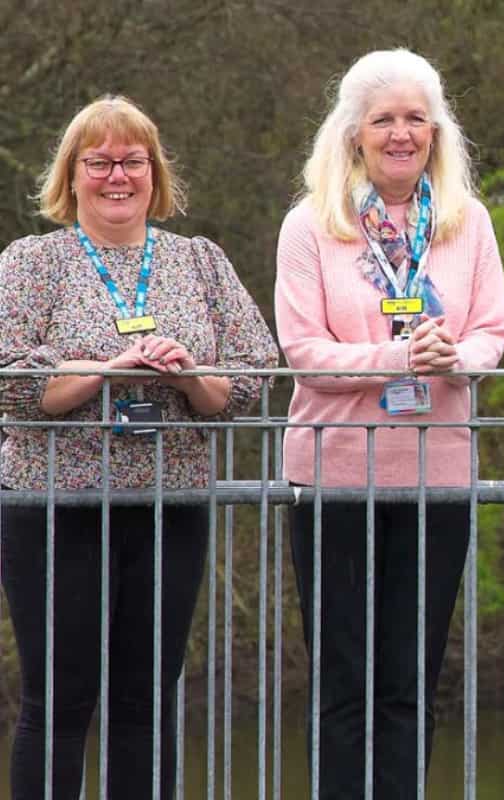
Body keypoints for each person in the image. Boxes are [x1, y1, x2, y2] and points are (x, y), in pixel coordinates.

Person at [0, 96, 277, 799]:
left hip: (168, 506)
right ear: (73, 174)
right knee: (58, 700)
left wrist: (189, 374)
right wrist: (107, 369)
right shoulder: (32, 262)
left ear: (155, 173)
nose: (116, 176)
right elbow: (11, 382)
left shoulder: (200, 261)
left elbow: (253, 374)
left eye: (133, 160)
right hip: (55, 506)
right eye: (99, 162)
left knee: (146, 701)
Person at [274, 48, 504, 796]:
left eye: (417, 119)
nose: (401, 133)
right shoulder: (310, 226)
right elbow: (304, 349)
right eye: (384, 120)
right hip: (334, 476)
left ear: (438, 132)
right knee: (344, 680)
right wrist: (399, 357)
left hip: (435, 478)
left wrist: (452, 359)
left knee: (411, 680)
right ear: (354, 133)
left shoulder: (466, 225)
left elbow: (493, 331)